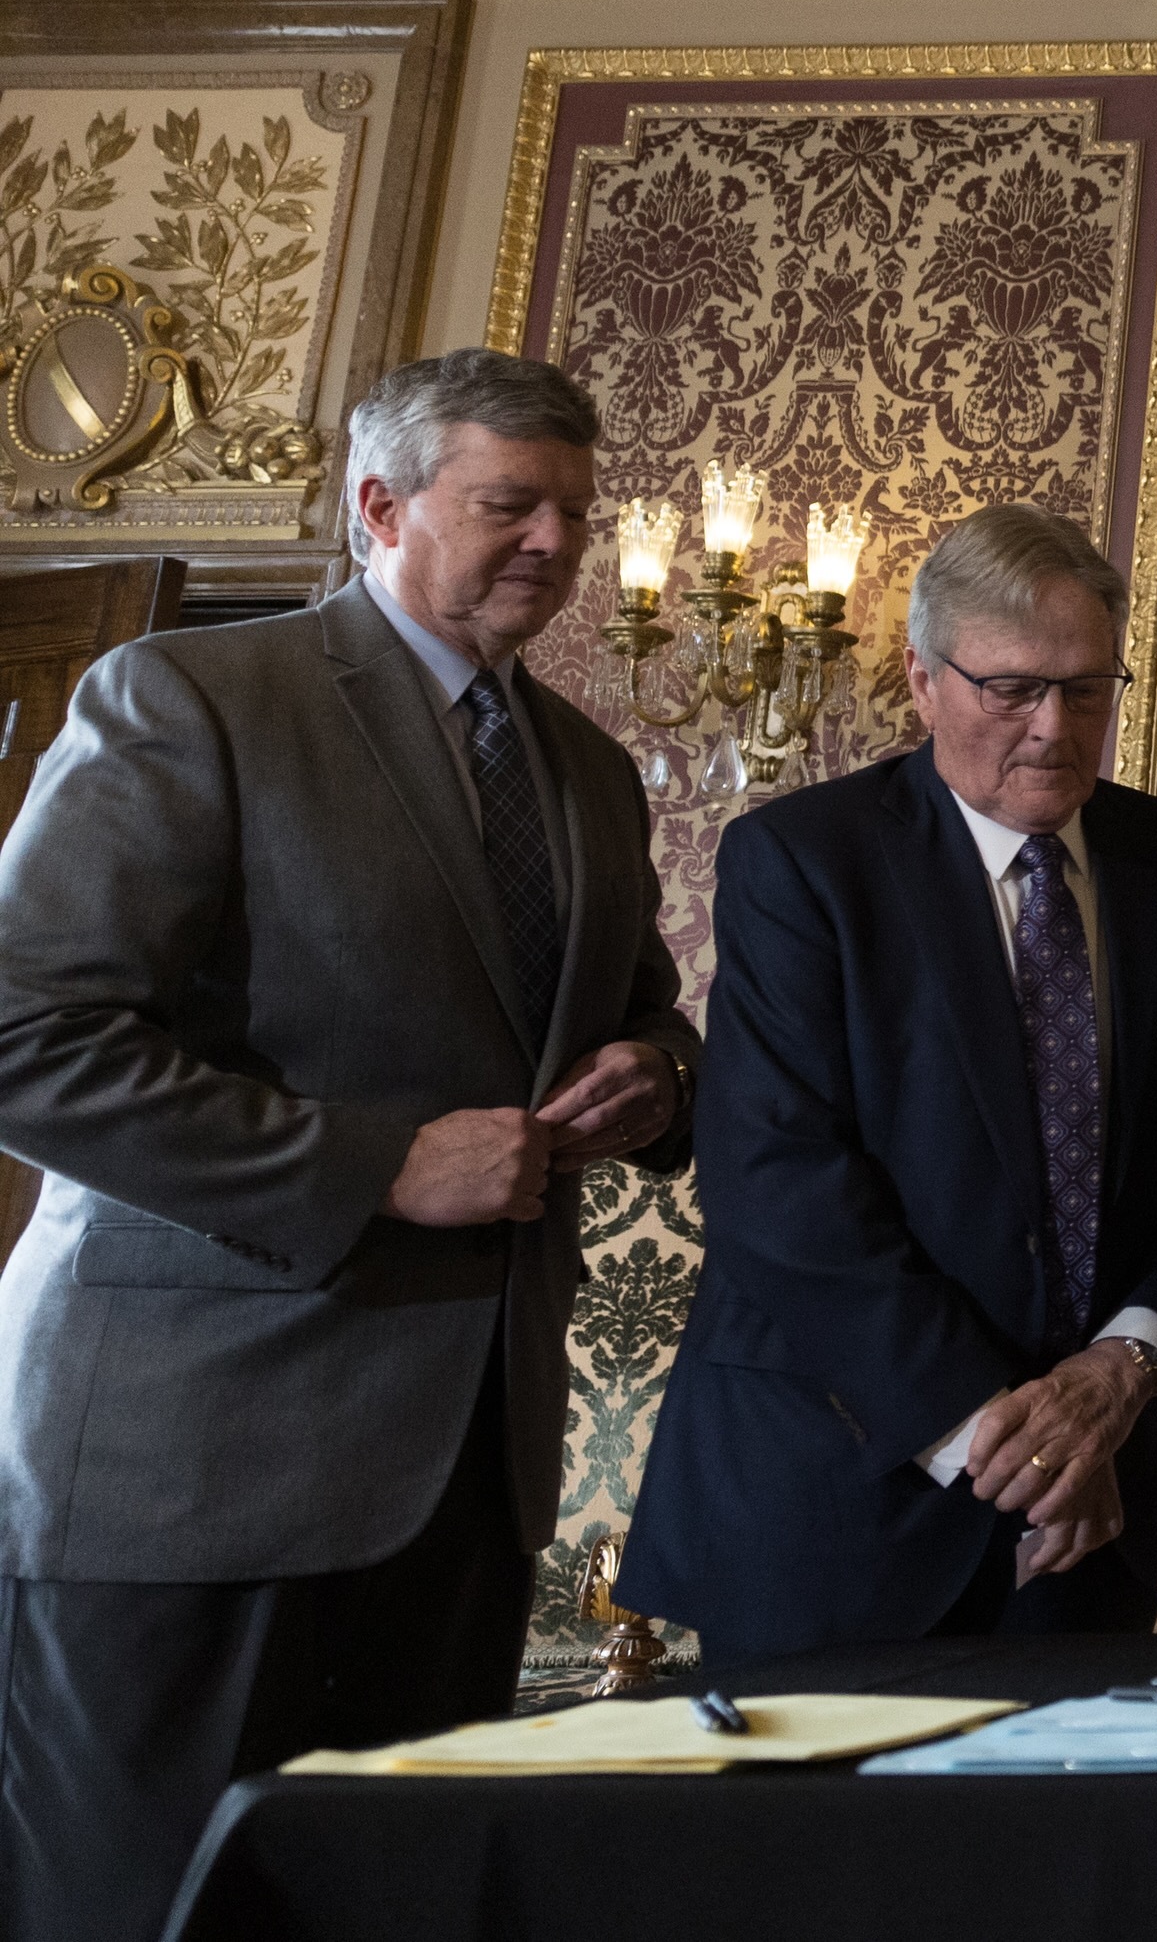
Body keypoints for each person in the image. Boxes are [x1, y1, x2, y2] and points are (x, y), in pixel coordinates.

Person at [0, 350, 697, 1941]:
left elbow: (648, 1016)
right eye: (509, 504)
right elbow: (23, 1039)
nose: (554, 544)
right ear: (378, 506)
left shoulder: (587, 770)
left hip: (463, 1480)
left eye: (576, 515)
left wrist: (654, 1082)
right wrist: (375, 1165)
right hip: (187, 1474)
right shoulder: (188, 698)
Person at [619, 506, 1157, 1660]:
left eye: (1086, 687)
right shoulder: (803, 862)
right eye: (1011, 689)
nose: (1054, 728)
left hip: (1098, 1512)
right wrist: (1004, 1447)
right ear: (922, 678)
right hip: (834, 1500)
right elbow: (782, 1186)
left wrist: (1125, 1368)